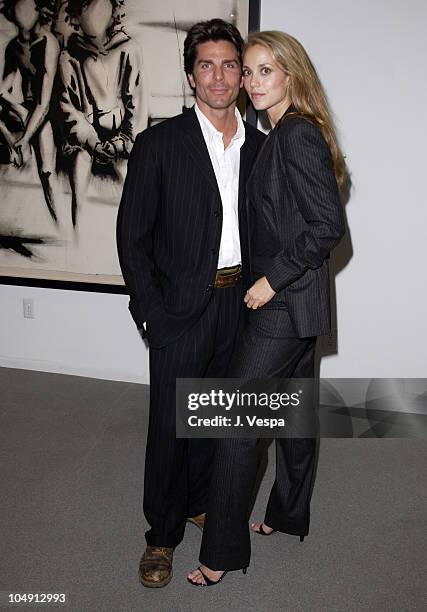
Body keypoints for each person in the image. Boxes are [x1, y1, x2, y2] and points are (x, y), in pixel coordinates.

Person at [187, 30, 346, 587]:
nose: (251, 82)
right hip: (302, 308)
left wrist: (269, 282)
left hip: (282, 305)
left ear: (291, 74)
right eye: (248, 72)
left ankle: (220, 554)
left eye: (264, 71)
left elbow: (329, 226)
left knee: (237, 425)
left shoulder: (296, 134)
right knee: (296, 417)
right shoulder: (279, 133)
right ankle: (288, 514)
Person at [116, 18, 265, 588]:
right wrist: (150, 310)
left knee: (217, 416)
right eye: (208, 65)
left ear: (242, 76)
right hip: (180, 308)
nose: (221, 76)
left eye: (231, 64)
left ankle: (203, 502)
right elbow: (133, 237)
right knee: (170, 426)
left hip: (242, 306)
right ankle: (161, 535)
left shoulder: (259, 145)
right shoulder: (160, 143)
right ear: (190, 76)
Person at [58, 0, 144, 225]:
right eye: (85, 5)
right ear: (76, 13)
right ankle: (76, 244)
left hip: (123, 139)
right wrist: (92, 143)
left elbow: (136, 104)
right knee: (79, 187)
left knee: (138, 191)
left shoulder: (129, 49)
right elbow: (69, 109)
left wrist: (122, 143)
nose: (93, 12)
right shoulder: (69, 56)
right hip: (86, 141)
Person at [0, 0, 60, 221]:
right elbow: (5, 85)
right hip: (27, 109)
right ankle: (12, 146)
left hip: (51, 112)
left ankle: (61, 225)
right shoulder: (13, 47)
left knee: (46, 172)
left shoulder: (48, 42)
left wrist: (25, 138)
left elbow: (44, 103)